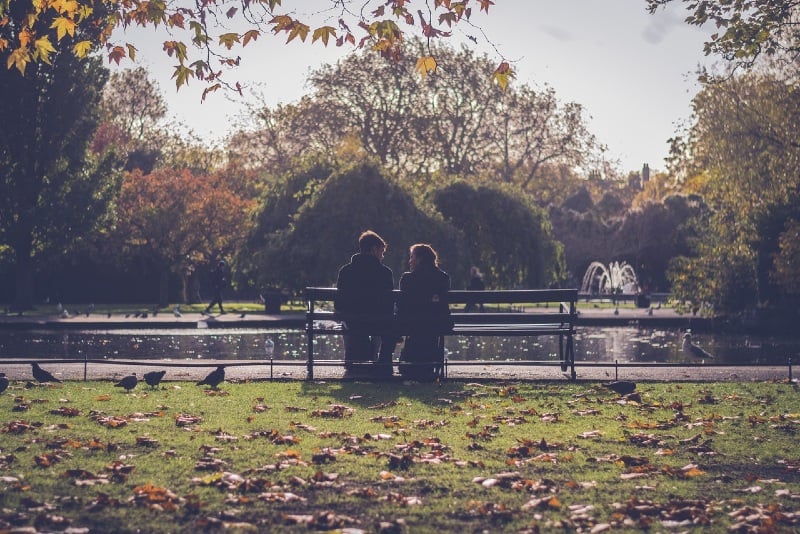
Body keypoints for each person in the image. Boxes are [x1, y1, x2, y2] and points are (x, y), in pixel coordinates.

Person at [335, 230, 397, 377]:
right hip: (378, 322)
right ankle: (381, 361)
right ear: (374, 249)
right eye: (381, 251)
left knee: (349, 322)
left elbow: (339, 304)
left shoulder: (345, 271)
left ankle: (354, 360)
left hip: (353, 322)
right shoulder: (385, 273)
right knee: (388, 324)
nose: (382, 256)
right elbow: (388, 305)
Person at [397, 243, 453, 381]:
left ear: (420, 258)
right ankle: (429, 361)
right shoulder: (443, 278)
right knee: (428, 323)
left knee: (415, 323)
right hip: (437, 324)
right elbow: (442, 305)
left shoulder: (407, 278)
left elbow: (402, 306)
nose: (410, 260)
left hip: (411, 324)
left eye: (412, 257)